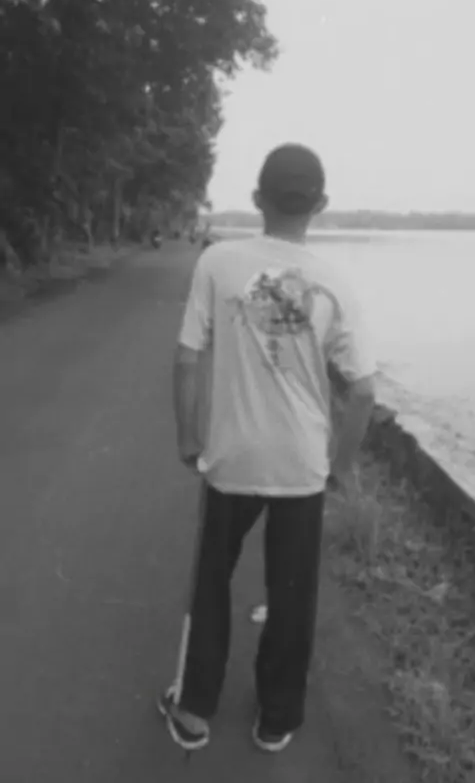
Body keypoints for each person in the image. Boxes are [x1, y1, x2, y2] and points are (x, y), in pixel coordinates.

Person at [158, 143, 376, 754]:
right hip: (302, 467)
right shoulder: (336, 283)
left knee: (211, 582)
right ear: (321, 205)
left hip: (231, 459)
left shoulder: (218, 262)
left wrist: (188, 435)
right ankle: (277, 718)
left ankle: (193, 709)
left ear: (257, 198)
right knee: (292, 594)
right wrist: (340, 467)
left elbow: (187, 357)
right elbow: (362, 391)